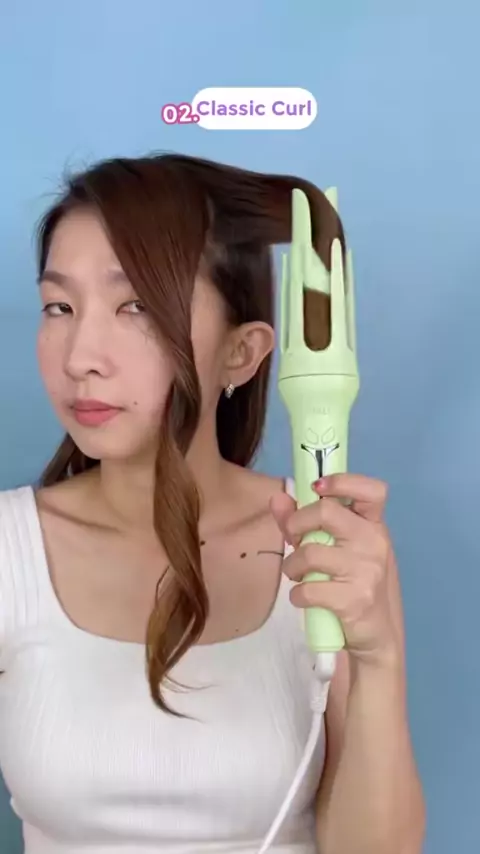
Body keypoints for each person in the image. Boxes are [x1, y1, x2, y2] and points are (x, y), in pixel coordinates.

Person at [0, 153, 425, 854]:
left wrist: (377, 658)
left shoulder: (324, 547)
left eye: (136, 306)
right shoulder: (10, 550)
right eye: (59, 307)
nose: (80, 357)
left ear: (242, 351)